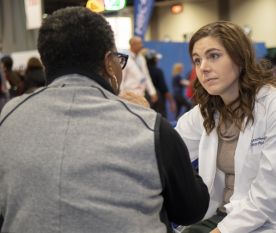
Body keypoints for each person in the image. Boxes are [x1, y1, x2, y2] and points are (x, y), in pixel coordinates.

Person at [0, 7, 209, 233]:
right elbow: (191, 209)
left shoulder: (9, 117)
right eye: (119, 59)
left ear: (45, 61)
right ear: (109, 62)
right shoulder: (149, 127)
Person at [175, 21, 276, 232]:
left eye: (214, 56)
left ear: (240, 57)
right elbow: (168, 152)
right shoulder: (206, 111)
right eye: (197, 60)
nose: (203, 68)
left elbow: (269, 198)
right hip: (224, 216)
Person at [121, 36, 158, 104]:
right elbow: (121, 78)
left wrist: (152, 92)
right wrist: (121, 95)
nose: (141, 46)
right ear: (132, 44)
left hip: (141, 94)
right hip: (129, 95)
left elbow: (146, 76)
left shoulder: (141, 59)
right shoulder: (124, 58)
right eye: (139, 43)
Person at [146, 49, 176, 118]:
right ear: (154, 60)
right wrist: (171, 102)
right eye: (156, 59)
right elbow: (164, 89)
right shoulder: (158, 71)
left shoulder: (142, 71)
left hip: (145, 102)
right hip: (158, 103)